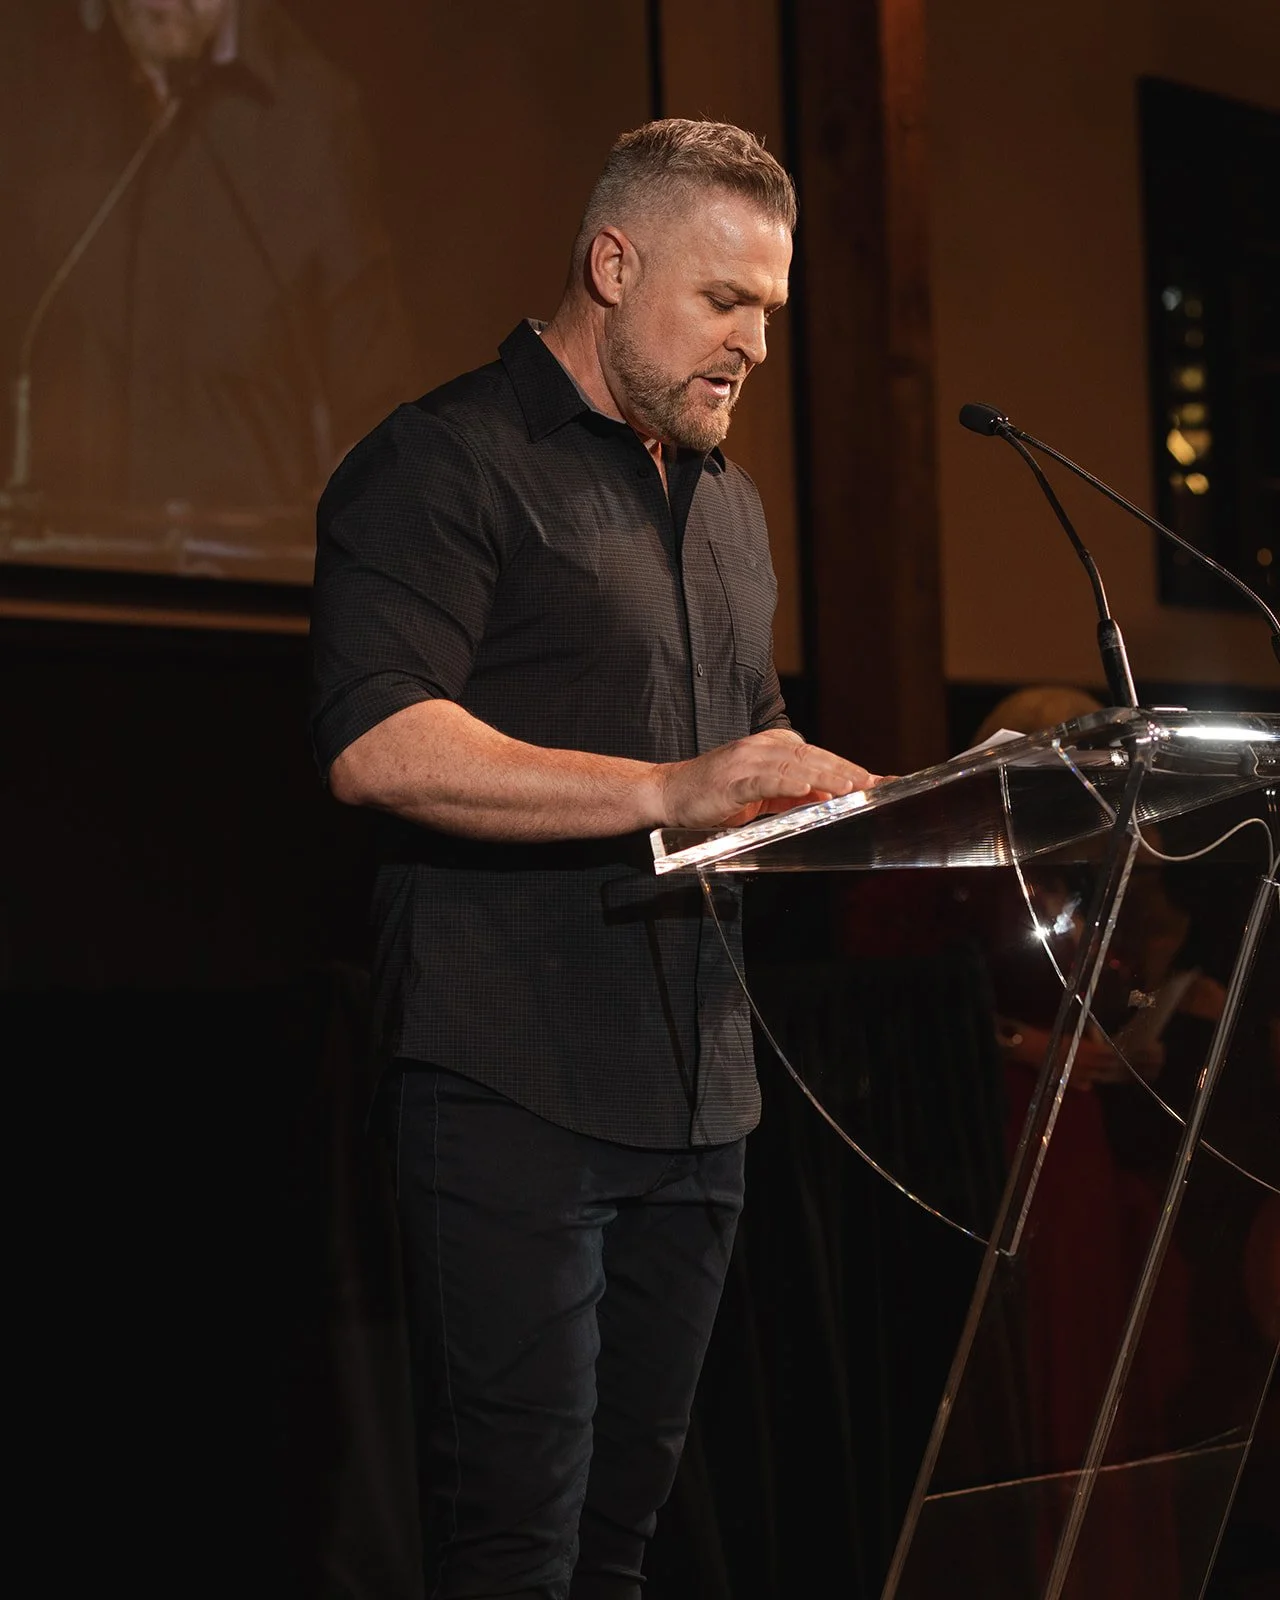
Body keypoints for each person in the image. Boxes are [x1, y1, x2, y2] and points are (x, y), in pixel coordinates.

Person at [308, 119, 877, 1598]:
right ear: (612, 264)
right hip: (510, 1089)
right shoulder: (442, 464)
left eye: (770, 311)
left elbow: (739, 754)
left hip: (701, 1098)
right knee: (516, 1551)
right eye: (725, 303)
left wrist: (847, 804)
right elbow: (379, 743)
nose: (756, 345)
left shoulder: (729, 508)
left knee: (623, 1543)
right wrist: (677, 788)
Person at [1, 0, 412, 582]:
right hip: (63, 589)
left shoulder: (313, 113)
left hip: (248, 598)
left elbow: (371, 397)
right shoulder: (29, 88)